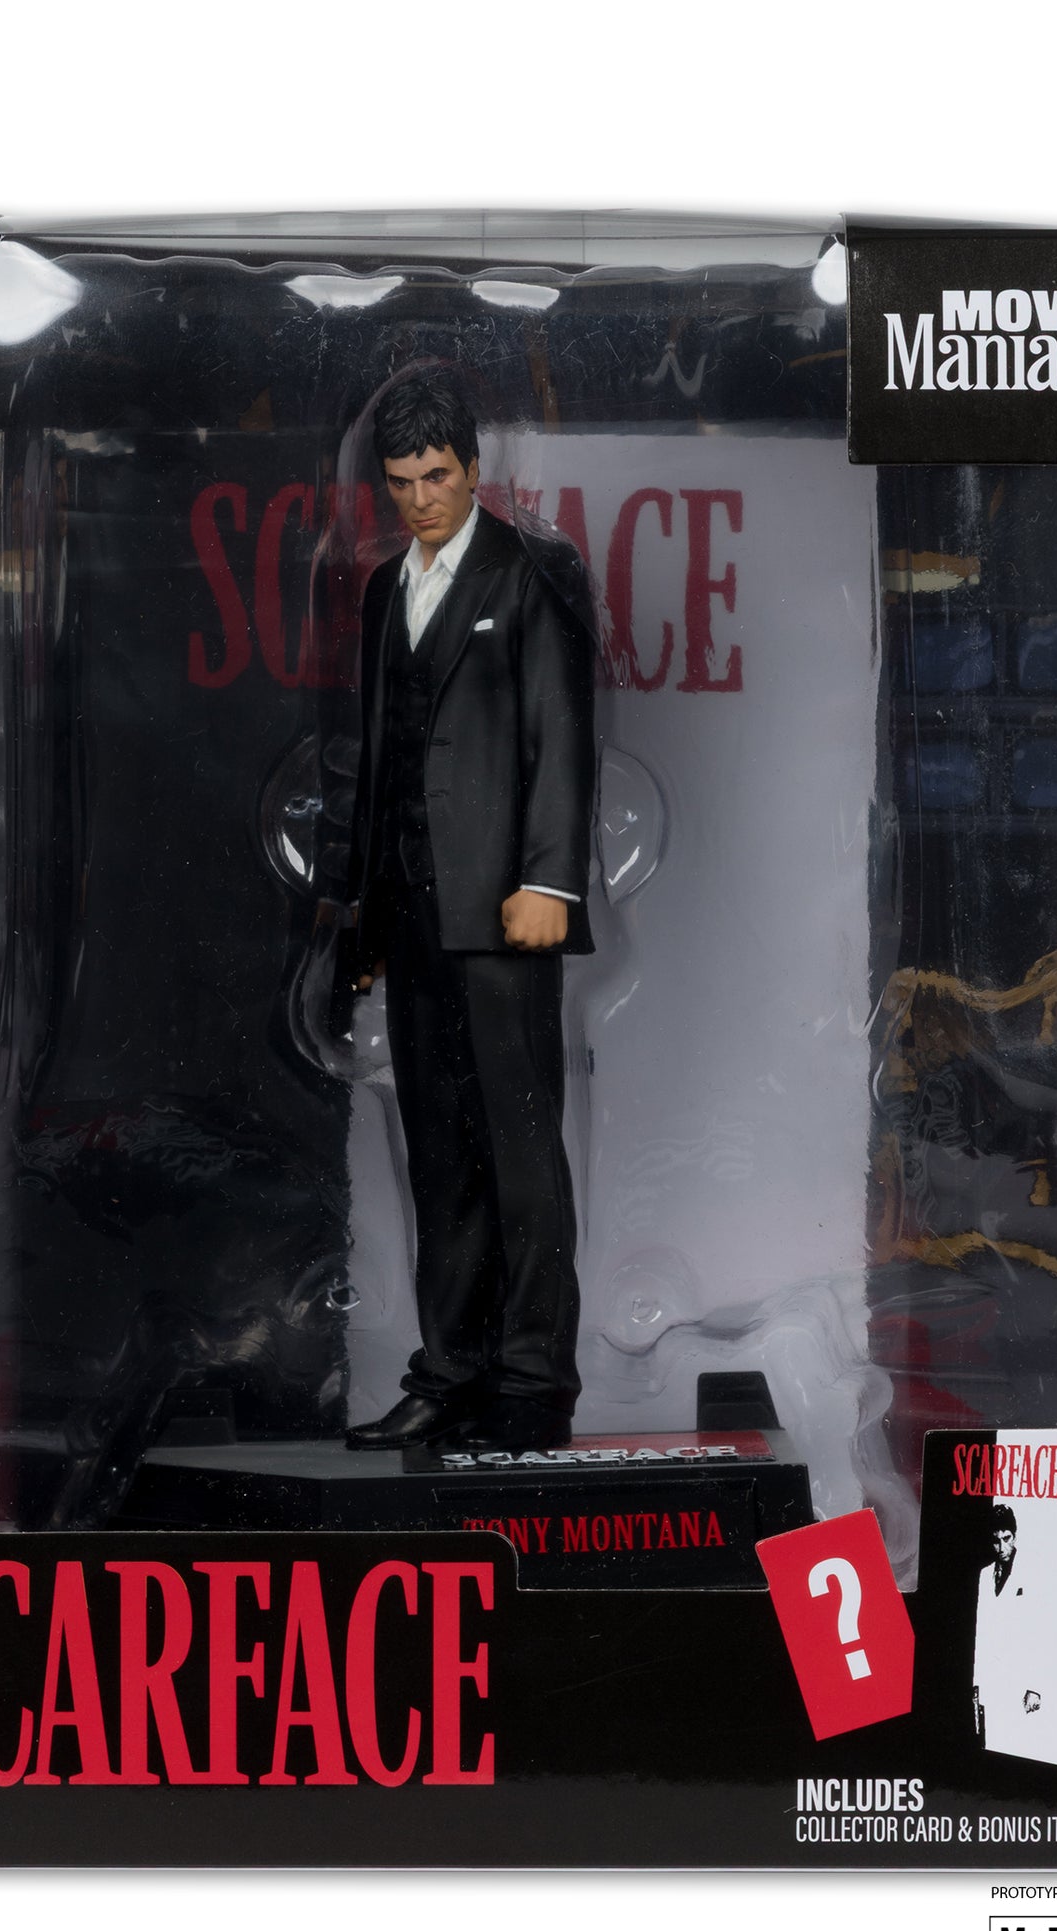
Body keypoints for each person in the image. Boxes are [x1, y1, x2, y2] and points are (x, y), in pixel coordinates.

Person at [340, 373, 595, 1453]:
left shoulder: (529, 574)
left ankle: (533, 1381)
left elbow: (560, 731)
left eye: (437, 476)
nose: (421, 499)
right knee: (440, 1155)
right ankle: (449, 1372)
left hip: (504, 913)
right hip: (410, 914)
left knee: (522, 1153)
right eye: (401, 482)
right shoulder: (379, 592)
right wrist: (360, 922)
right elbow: (374, 763)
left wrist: (550, 881)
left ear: (474, 469)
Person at [972, 1504, 1045, 1747]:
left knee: (1015, 1745)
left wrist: (1034, 1686)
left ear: (1015, 1536)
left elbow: (1040, 1632)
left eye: (1007, 1538)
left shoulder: (1032, 1572)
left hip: (1018, 1680)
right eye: (996, 1541)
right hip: (989, 1679)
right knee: (987, 1743)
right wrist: (976, 1683)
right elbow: (981, 1630)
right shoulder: (984, 1575)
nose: (1002, 1547)